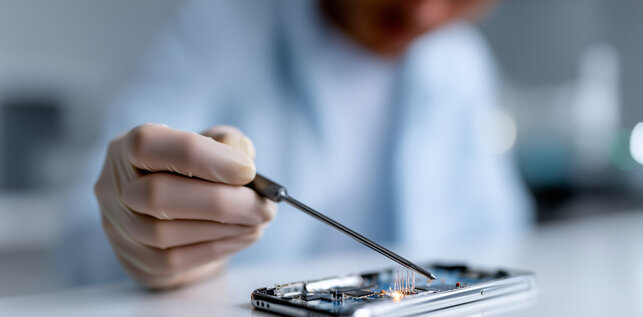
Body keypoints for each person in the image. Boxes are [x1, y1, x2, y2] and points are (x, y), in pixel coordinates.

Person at [71, 0, 532, 289]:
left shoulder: (461, 60)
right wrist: (137, 227)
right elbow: (81, 241)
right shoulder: (226, 23)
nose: (423, 12)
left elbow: (503, 234)